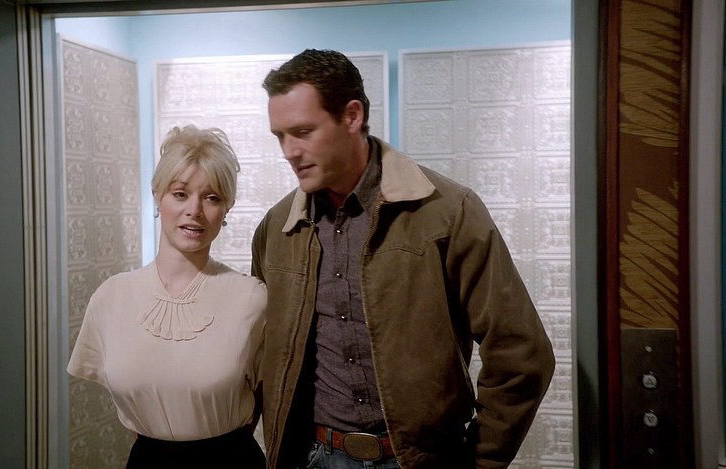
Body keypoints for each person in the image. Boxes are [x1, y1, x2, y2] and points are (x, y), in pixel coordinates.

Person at [251, 49, 555, 469]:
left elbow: (521, 355)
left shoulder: (448, 212)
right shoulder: (278, 228)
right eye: (280, 136)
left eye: (303, 131)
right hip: (315, 456)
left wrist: (479, 462)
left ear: (352, 116)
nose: (289, 150)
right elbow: (262, 359)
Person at [67, 124, 267, 468]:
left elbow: (268, 399)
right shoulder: (111, 297)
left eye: (212, 198)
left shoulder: (252, 299)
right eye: (180, 194)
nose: (195, 210)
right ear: (157, 195)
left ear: (227, 209)